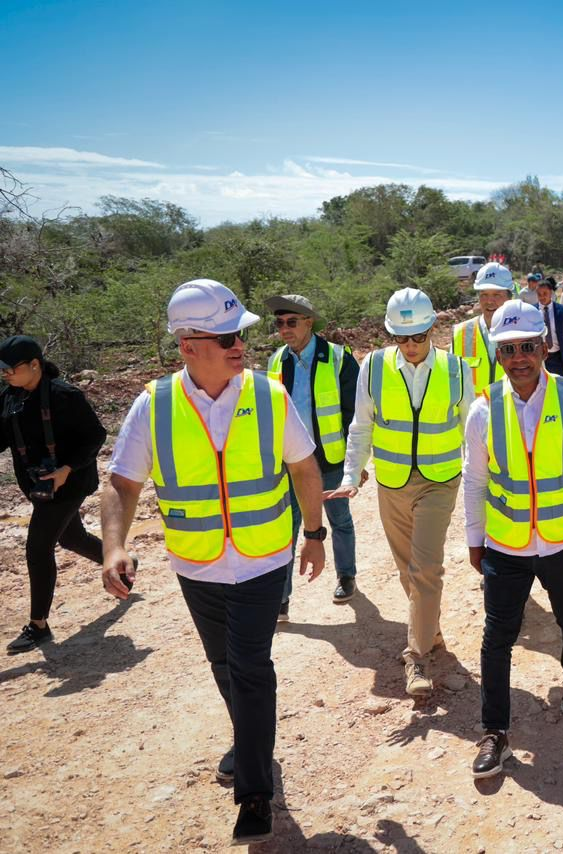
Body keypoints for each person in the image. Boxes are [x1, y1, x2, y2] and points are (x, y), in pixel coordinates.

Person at [100, 278, 327, 845]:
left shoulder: (269, 396)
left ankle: (254, 793)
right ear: (188, 345)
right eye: (226, 337)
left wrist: (315, 533)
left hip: (262, 561)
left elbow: (303, 467)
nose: (239, 345)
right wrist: (113, 546)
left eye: (240, 334)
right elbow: (122, 483)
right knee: (224, 666)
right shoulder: (154, 406)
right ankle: (251, 741)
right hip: (196, 564)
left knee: (249, 667)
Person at [463, 299, 563, 778]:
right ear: (497, 354)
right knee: (496, 637)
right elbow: (475, 481)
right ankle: (495, 732)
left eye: (527, 346)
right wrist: (475, 540)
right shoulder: (483, 409)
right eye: (508, 349)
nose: (519, 358)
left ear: (545, 347)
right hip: (506, 545)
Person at [323, 288, 472, 697]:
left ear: (432, 330)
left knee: (426, 569)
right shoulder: (373, 367)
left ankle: (416, 657)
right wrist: (351, 475)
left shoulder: (458, 370)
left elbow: (470, 429)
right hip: (391, 483)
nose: (410, 345)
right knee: (409, 571)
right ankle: (430, 631)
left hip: (440, 481)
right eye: (401, 338)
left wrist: (483, 479)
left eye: (418, 337)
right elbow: (361, 426)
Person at [1, 335, 110, 653]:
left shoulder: (65, 396)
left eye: (10, 368)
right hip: (39, 487)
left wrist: (65, 469)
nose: (5, 374)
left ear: (34, 364)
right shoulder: (9, 399)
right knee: (72, 538)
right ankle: (120, 562)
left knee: (38, 548)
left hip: (70, 484)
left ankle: (39, 626)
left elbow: (95, 436)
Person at [265, 293, 359, 615]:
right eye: (279, 323)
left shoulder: (338, 358)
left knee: (339, 519)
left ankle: (346, 576)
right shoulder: (276, 362)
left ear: (309, 322)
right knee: (287, 527)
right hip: (291, 463)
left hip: (330, 459)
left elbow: (355, 415)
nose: (284, 329)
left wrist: (355, 463)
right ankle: (281, 598)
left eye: (291, 322)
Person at [453, 261, 514, 392]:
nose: (489, 301)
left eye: (497, 295)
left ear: (509, 298)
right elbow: (452, 382)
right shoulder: (461, 333)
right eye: (484, 295)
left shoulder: (523, 333)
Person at [535, 276, 563, 375]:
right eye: (539, 294)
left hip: (559, 358)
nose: (542, 297)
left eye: (545, 293)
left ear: (551, 293)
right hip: (539, 359)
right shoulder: (531, 312)